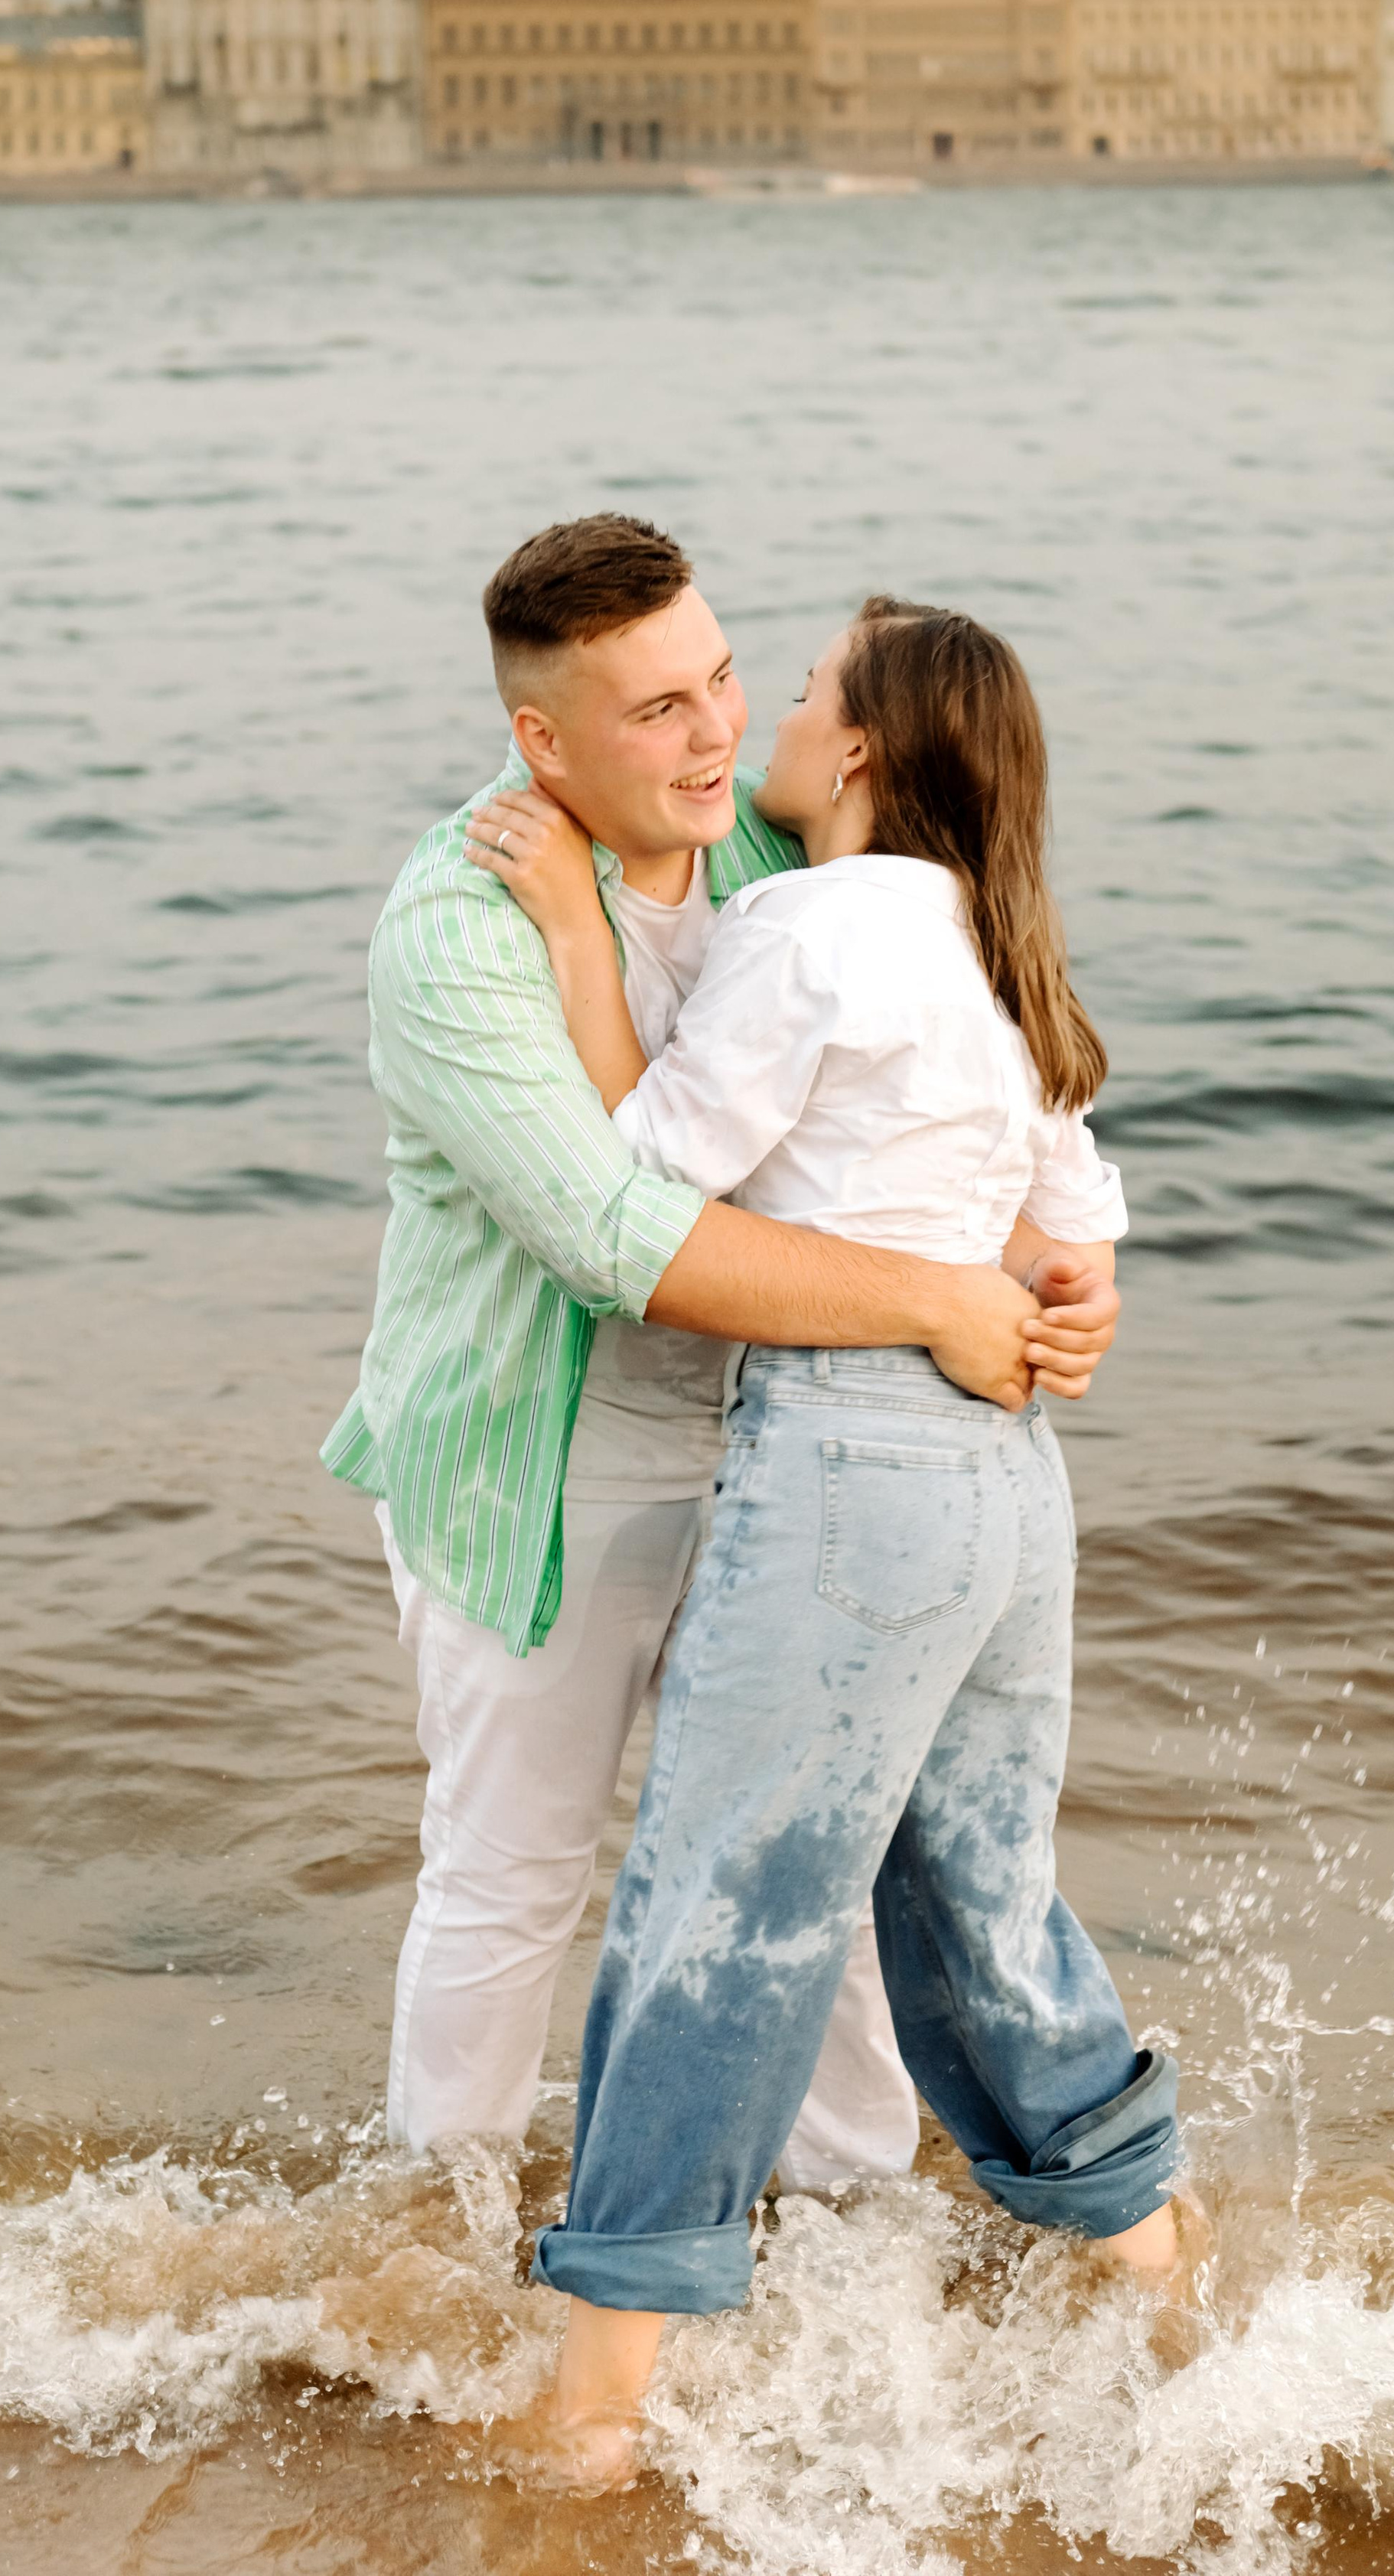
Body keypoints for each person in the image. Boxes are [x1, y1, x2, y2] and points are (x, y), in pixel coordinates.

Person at [321, 520, 1125, 2193]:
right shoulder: (458, 926)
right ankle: (432, 2237)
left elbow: (913, 1087)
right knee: (514, 1874)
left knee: (810, 1874)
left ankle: (841, 2223)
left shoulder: (784, 852)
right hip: (539, 1461)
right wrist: (936, 1300)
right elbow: (632, 1245)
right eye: (655, 713)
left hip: (782, 1453)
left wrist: (1048, 1277)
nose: (708, 740)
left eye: (725, 684)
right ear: (543, 740)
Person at [467, 597, 1180, 2480]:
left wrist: (564, 929)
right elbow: (1071, 1248)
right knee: (982, 1909)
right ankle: (1163, 2282)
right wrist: (1062, 1307)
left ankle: (595, 2411)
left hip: (853, 1476)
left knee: (717, 1917)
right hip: (1009, 1496)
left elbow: (643, 1166)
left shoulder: (808, 924)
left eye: (796, 696)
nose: (767, 721)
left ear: (856, 756)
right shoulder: (999, 945)